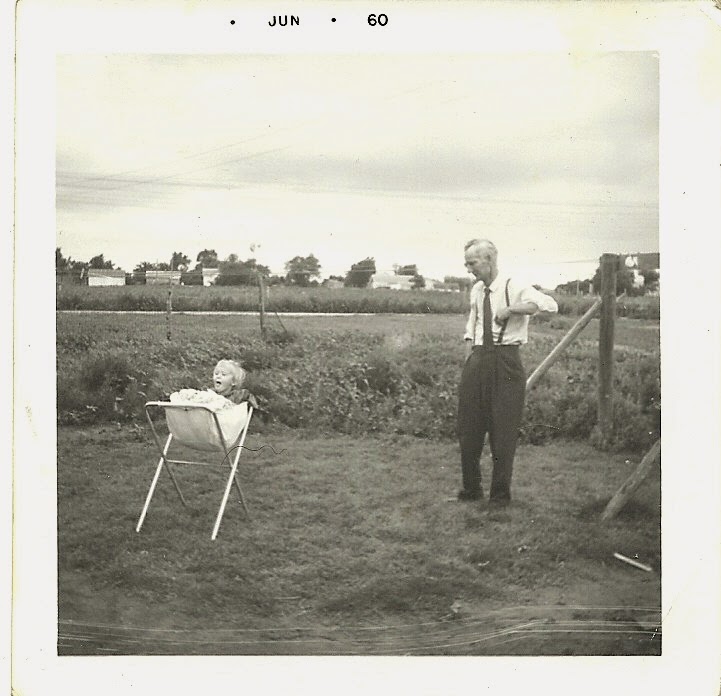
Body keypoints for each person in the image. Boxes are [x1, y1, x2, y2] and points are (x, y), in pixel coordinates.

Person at [457, 239, 558, 508]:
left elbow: (548, 306)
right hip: (478, 360)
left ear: (489, 259)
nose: (468, 268)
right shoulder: (477, 290)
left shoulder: (513, 284)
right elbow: (472, 326)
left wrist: (511, 309)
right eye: (466, 263)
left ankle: (499, 497)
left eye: (472, 262)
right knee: (468, 428)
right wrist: (469, 360)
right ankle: (471, 489)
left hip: (506, 361)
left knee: (503, 430)